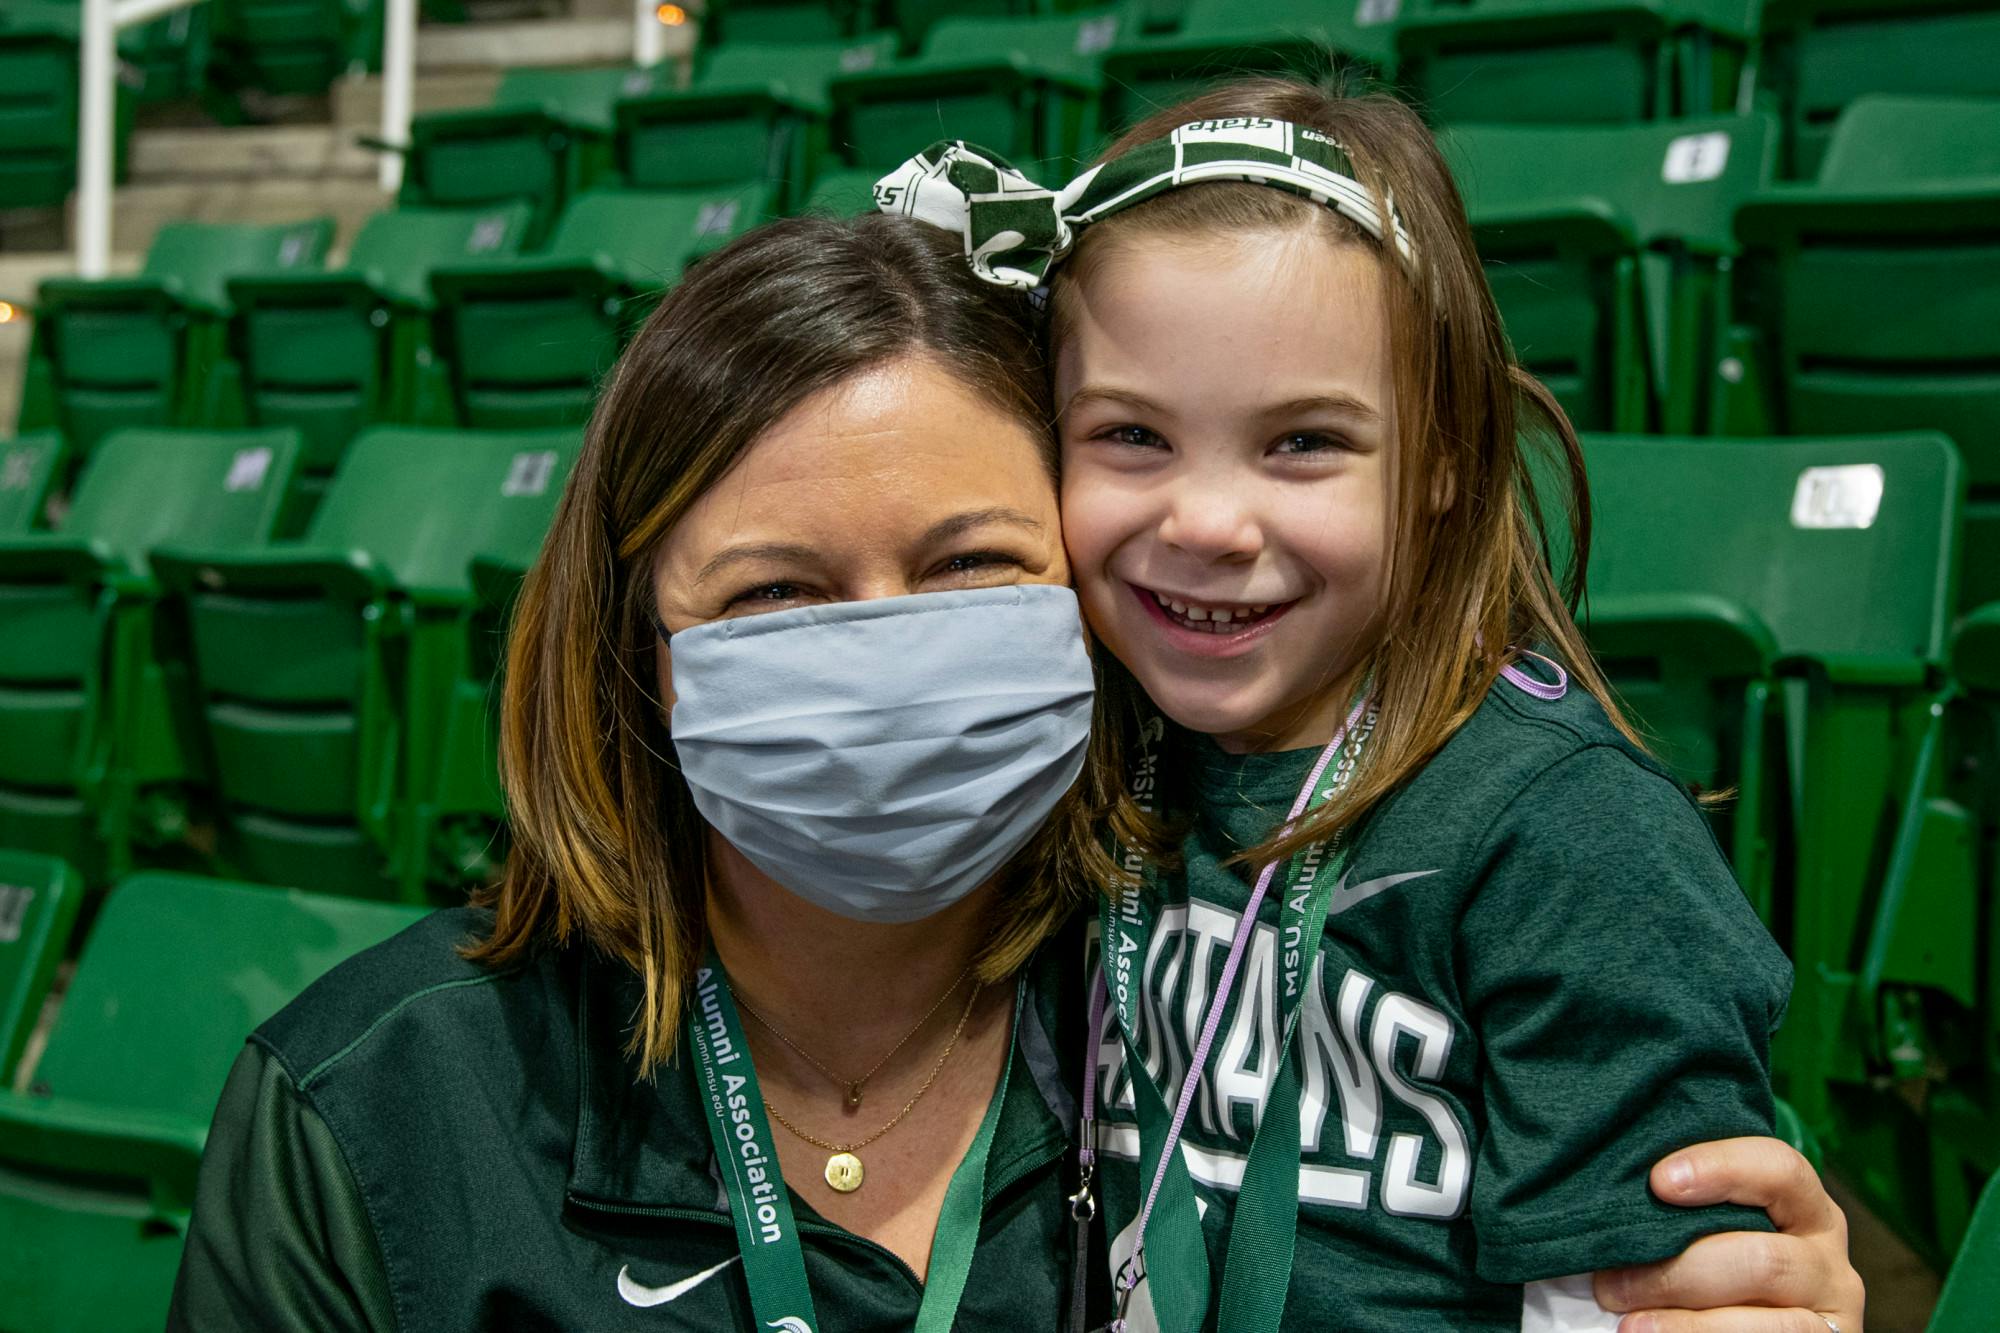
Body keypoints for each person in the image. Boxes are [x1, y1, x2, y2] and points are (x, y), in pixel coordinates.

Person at [167, 214, 1864, 1330]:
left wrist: (1748, 1297)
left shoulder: (1240, 1013)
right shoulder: (370, 1110)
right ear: (642, 659)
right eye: (775, 594)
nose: (885, 646)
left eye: (977, 565)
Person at [881, 79, 1861, 1333]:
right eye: (1129, 434)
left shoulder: (1566, 839)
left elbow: (1663, 1303)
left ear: (1442, 455)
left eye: (1301, 443)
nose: (1206, 523)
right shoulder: (1074, 751)